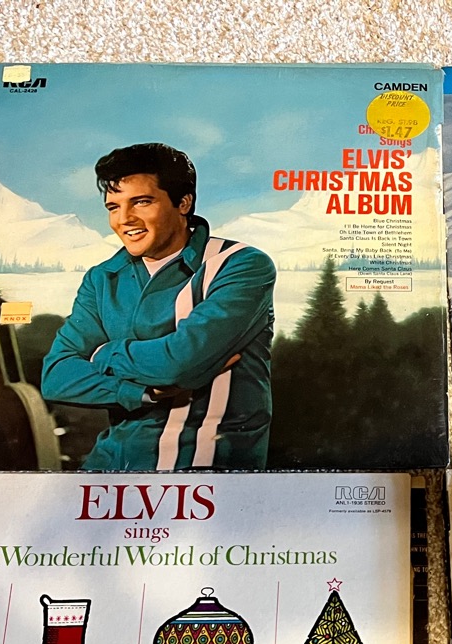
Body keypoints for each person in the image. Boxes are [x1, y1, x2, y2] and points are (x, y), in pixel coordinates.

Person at [41, 143, 276, 470]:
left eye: (141, 202)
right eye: (113, 207)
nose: (124, 220)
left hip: (202, 468)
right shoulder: (103, 278)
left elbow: (178, 364)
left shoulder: (239, 265)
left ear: (183, 203)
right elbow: (56, 376)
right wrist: (141, 392)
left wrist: (104, 353)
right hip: (111, 461)